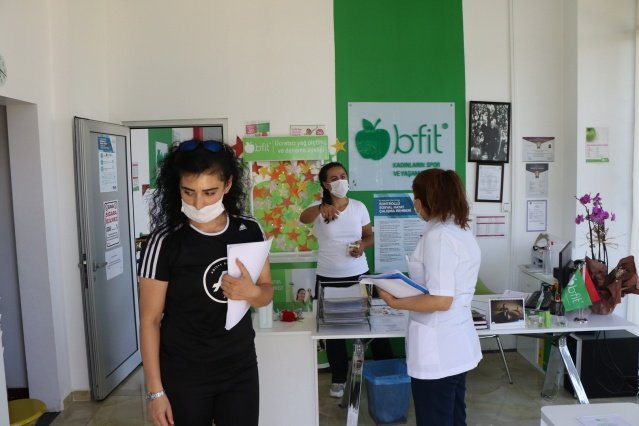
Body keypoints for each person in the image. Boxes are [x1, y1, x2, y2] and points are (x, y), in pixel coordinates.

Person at [138, 139, 273, 426]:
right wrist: (155, 391)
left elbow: (266, 293)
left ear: (228, 185)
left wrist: (251, 292)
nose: (198, 204)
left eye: (209, 192)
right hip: (184, 373)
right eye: (188, 192)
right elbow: (149, 320)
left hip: (239, 368)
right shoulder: (165, 241)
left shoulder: (249, 230)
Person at [377, 168, 482, 426]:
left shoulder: (440, 237)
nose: (415, 204)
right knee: (454, 417)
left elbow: (440, 300)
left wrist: (395, 301)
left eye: (416, 197)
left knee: (435, 419)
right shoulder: (460, 230)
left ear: (422, 201)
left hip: (439, 349)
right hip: (455, 343)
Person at [300, 161, 393, 399]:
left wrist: (362, 245)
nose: (340, 181)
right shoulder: (318, 208)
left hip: (359, 275)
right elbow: (303, 218)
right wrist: (321, 207)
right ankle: (339, 378)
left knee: (373, 326)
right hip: (328, 277)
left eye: (342, 176)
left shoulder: (359, 207)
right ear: (325, 184)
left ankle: (387, 373)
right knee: (333, 332)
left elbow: (369, 236)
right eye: (334, 178)